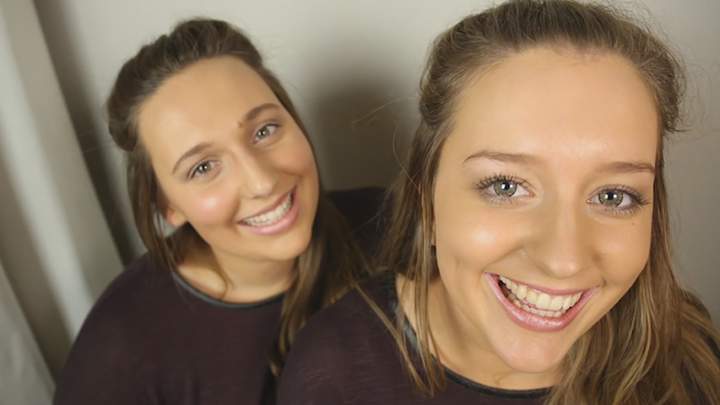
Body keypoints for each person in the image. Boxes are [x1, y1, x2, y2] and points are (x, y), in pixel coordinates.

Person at [276, 1, 720, 404]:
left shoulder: (691, 359)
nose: (563, 261)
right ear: (427, 201)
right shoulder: (332, 374)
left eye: (612, 195)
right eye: (506, 186)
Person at [54, 18, 382, 405]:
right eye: (204, 167)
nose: (261, 182)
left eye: (265, 130)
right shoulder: (120, 350)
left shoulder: (392, 226)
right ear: (167, 206)